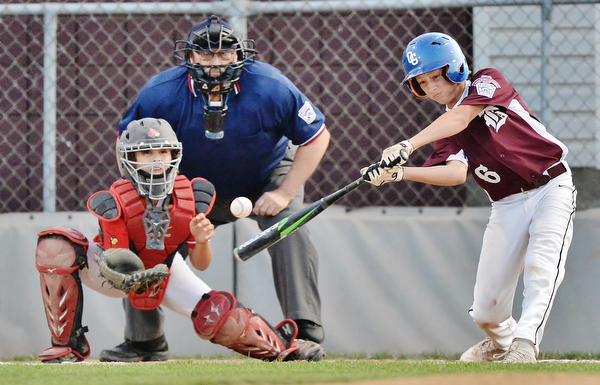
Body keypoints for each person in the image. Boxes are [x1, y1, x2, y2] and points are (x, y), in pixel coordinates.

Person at [105, 15, 330, 361]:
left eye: (224, 55)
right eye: (206, 56)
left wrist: (284, 192)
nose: (215, 64)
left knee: (290, 227)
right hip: (188, 186)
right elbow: (126, 142)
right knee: (143, 230)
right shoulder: (161, 92)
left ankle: (304, 331)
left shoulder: (270, 86)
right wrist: (150, 195)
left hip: (267, 176)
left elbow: (317, 136)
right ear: (191, 58)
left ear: (239, 55)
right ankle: (144, 341)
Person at [361, 32, 577, 363]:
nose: (432, 87)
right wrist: (400, 173)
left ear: (456, 68)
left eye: (437, 76)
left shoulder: (487, 82)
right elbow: (454, 174)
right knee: (486, 312)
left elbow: (460, 116)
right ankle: (503, 341)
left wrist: (408, 145)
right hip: (506, 204)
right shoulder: (444, 135)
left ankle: (525, 344)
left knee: (540, 266)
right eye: (422, 81)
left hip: (551, 186)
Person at [35, 118, 324, 363]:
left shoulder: (190, 197)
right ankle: (68, 345)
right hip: (114, 273)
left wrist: (201, 239)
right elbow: (118, 258)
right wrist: (128, 273)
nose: (158, 159)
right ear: (129, 159)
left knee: (220, 313)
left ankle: (283, 348)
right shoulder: (114, 201)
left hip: (163, 271)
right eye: (147, 154)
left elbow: (200, 263)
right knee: (56, 246)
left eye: (163, 151)